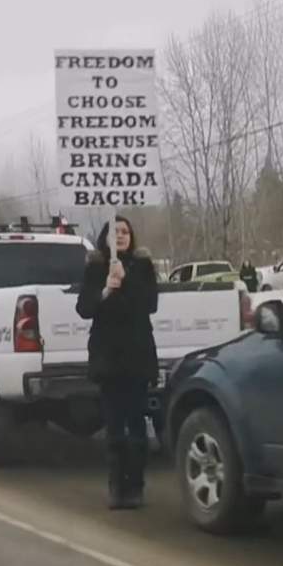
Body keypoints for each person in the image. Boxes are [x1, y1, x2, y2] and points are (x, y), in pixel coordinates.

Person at [76, 215, 158, 510]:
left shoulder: (143, 266)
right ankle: (116, 487)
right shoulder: (96, 267)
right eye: (115, 232)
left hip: (137, 357)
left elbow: (150, 303)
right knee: (114, 427)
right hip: (108, 358)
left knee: (137, 426)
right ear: (106, 238)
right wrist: (107, 289)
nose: (121, 236)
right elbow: (84, 308)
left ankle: (135, 487)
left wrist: (127, 279)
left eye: (125, 231)